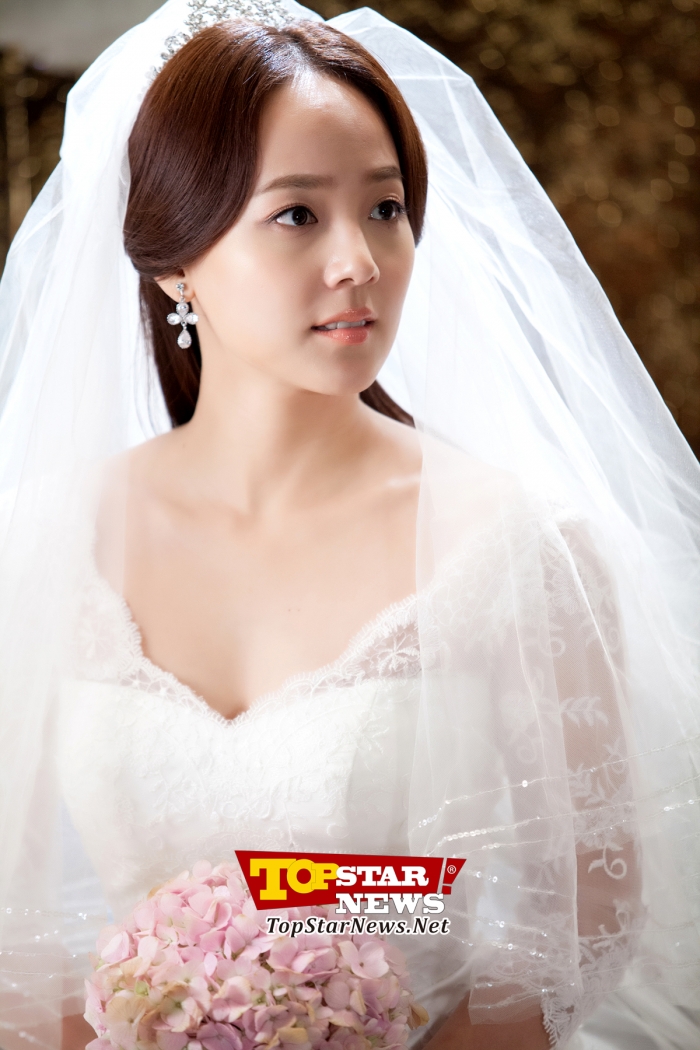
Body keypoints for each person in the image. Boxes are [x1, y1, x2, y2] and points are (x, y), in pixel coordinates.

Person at [0, 2, 698, 1049]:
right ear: (175, 261)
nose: (360, 261)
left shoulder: (509, 542)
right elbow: (15, 919)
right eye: (297, 215)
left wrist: (320, 966)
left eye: (384, 208)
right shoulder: (45, 538)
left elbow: (582, 907)